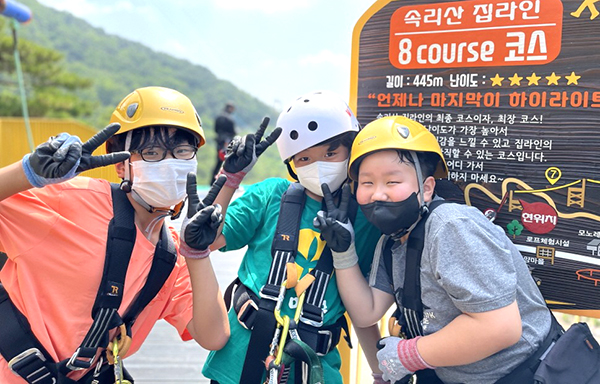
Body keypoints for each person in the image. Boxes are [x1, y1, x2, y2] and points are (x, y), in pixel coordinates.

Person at [0, 86, 280, 384]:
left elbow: (213, 336)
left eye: (182, 152)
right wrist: (28, 172)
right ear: (122, 166)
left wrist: (197, 254)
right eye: (152, 152)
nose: (170, 163)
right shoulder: (65, 200)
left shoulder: (170, 254)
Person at [318, 115, 557, 384]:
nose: (377, 194)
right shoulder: (393, 241)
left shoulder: (451, 227)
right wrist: (343, 252)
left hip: (521, 374)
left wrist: (409, 354)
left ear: (427, 188)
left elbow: (501, 327)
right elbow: (367, 311)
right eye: (367, 183)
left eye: (392, 182)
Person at [201, 91, 383, 384]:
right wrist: (230, 179)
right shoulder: (271, 195)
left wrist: (380, 371)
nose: (319, 165)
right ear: (292, 164)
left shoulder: (366, 221)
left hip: (316, 367)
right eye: (305, 158)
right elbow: (210, 238)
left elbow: (361, 308)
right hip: (237, 360)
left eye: (331, 153)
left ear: (351, 152)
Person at [210, 102, 237, 183]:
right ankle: (220, 181)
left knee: (218, 161)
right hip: (226, 142)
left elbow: (215, 129)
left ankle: (212, 181)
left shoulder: (219, 117)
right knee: (224, 162)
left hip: (219, 141)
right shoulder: (230, 119)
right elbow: (233, 132)